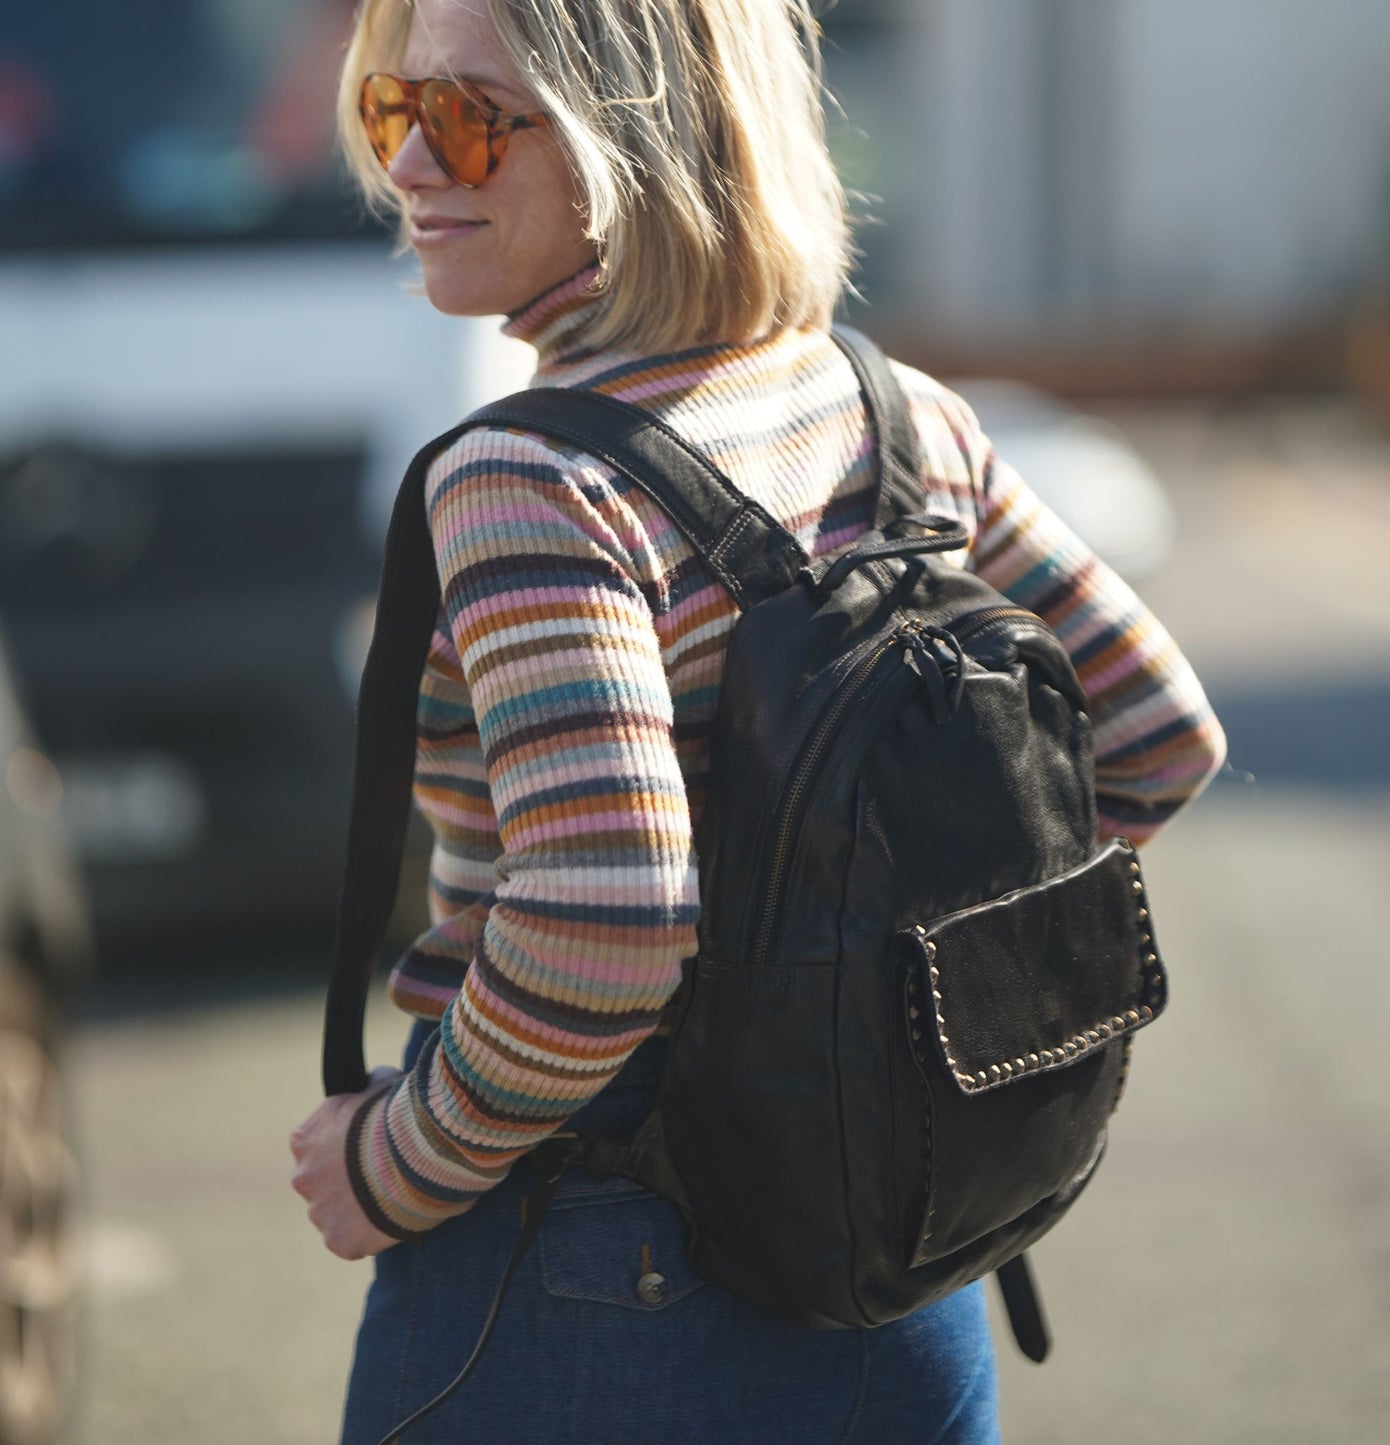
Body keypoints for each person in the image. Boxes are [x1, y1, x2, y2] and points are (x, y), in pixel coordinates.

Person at [288, 1, 1228, 1440]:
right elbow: (1156, 734)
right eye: (388, 112)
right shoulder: (898, 413)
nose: (413, 165)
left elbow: (603, 924)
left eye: (468, 118)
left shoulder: (531, 479)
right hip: (901, 1246)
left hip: (590, 1264)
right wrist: (864, 969)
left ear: (639, 141)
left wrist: (397, 1162)